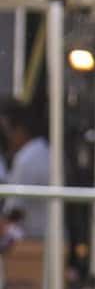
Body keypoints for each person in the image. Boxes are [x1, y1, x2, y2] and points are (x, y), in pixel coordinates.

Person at [0, 98, 52, 241]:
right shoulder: (44, 150)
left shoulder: (27, 158)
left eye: (6, 132)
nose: (6, 140)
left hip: (36, 242)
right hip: (48, 237)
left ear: (20, 130)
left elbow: (14, 213)